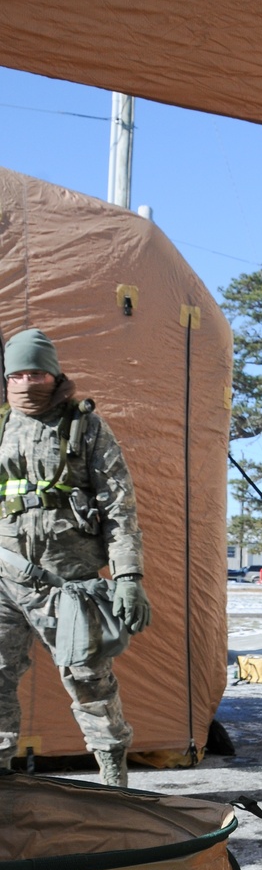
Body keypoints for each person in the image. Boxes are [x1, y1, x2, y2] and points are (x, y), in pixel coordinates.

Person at [0, 329, 150, 786]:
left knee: (89, 679)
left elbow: (119, 507)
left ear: (55, 373)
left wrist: (128, 575)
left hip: (68, 582)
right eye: (18, 374)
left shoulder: (85, 427)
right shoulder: (2, 425)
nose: (28, 382)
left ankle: (112, 772)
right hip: (5, 577)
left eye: (38, 372)